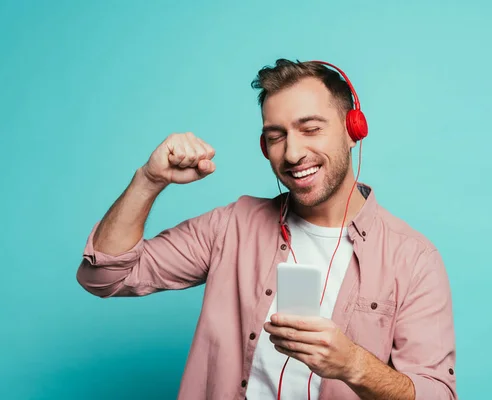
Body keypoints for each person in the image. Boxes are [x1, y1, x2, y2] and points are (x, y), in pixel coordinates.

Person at [76, 59, 458, 400]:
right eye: (277, 136)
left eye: (310, 129)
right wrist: (149, 180)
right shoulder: (232, 226)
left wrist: (355, 365)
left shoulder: (413, 259)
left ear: (352, 129)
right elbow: (104, 275)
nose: (292, 154)